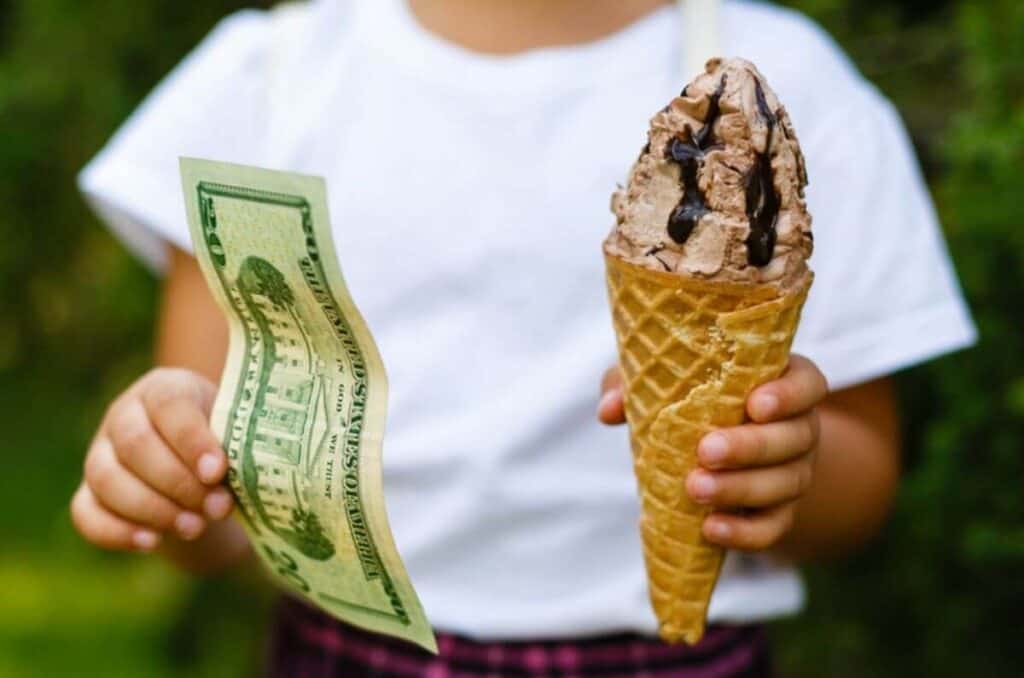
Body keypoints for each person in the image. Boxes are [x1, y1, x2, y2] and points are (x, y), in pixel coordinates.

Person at [71, 1, 976, 675]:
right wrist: (165, 477)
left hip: (678, 656)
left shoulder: (782, 84)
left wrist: (787, 469)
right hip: (344, 653)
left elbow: (862, 479)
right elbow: (217, 510)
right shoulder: (265, 80)